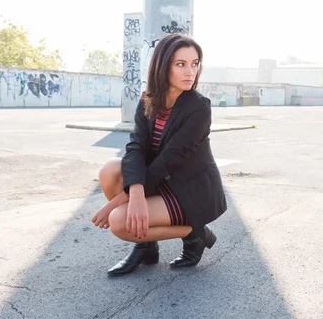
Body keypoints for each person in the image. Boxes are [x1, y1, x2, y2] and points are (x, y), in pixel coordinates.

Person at [91, 33, 227, 275]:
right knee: (110, 169)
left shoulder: (199, 107)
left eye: (194, 64)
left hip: (190, 189)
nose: (190, 72)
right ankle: (145, 246)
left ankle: (194, 232)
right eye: (180, 64)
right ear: (163, 66)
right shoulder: (148, 101)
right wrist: (135, 193)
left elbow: (167, 161)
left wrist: (115, 204)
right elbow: (136, 147)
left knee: (118, 221)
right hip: (162, 181)